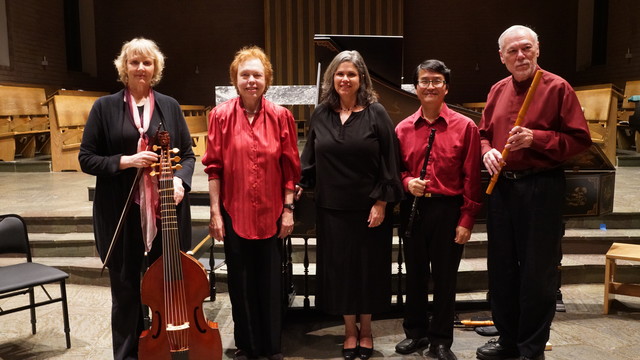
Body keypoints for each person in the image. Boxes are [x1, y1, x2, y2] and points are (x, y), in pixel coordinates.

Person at [475, 25, 591, 360]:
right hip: (503, 189)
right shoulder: (497, 90)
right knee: (502, 269)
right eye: (512, 51)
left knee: (537, 273)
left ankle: (530, 349)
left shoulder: (558, 87)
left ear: (538, 48)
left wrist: (535, 139)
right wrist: (486, 152)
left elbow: (579, 141)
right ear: (502, 57)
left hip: (540, 187)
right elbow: (483, 134)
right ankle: (508, 340)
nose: (520, 56)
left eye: (526, 48)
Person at [79, 37, 195, 360]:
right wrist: (126, 161)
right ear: (124, 68)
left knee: (165, 289)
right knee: (126, 291)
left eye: (147, 63)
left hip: (165, 217)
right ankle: (128, 355)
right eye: (134, 62)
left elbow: (187, 155)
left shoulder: (169, 106)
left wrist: (182, 182)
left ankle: (162, 351)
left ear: (155, 68)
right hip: (121, 213)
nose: (140, 68)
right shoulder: (104, 107)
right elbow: (86, 158)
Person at [297, 50, 403, 360]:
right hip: (331, 210)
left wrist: (382, 201)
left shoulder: (376, 112)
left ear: (361, 79)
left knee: (368, 271)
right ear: (332, 78)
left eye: (352, 74)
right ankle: (349, 330)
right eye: (340, 74)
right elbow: (310, 160)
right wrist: (300, 186)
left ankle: (367, 330)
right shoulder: (320, 113)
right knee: (340, 272)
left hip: (369, 209)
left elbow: (389, 160)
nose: (345, 79)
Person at [201, 45, 300, 360]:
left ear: (266, 80)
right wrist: (215, 213)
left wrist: (288, 210)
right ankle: (246, 345)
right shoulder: (219, 116)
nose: (251, 80)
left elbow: (290, 169)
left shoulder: (282, 116)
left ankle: (271, 347)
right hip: (234, 212)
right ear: (235, 79)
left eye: (257, 74)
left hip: (272, 214)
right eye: (245, 75)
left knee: (271, 284)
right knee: (240, 283)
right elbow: (214, 168)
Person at [393, 60, 482, 360]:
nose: (429, 86)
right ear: (416, 88)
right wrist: (407, 183)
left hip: (448, 210)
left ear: (446, 87)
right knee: (414, 275)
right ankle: (415, 333)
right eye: (424, 81)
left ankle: (441, 340)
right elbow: (397, 171)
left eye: (436, 81)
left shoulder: (466, 126)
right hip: (414, 210)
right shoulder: (403, 128)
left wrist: (467, 218)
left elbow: (472, 176)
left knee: (445, 278)